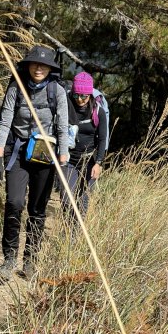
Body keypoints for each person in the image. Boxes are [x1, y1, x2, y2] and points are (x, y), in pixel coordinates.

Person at [0, 46, 68, 282]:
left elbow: (63, 128)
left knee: (37, 210)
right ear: (28, 66)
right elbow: (5, 123)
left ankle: (31, 260)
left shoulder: (58, 92)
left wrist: (62, 161)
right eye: (35, 64)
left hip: (45, 157)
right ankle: (9, 258)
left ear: (50, 69)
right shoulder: (16, 88)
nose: (38, 68)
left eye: (44, 65)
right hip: (18, 152)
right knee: (14, 202)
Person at [60, 72, 108, 226]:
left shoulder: (98, 111)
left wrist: (98, 163)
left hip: (89, 161)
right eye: (76, 96)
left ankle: (74, 237)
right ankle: (68, 230)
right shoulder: (65, 106)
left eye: (84, 96)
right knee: (67, 199)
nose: (80, 100)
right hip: (68, 159)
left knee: (83, 203)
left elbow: (102, 139)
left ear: (90, 95)